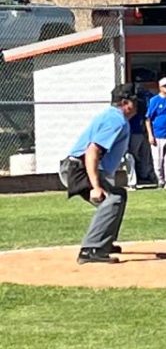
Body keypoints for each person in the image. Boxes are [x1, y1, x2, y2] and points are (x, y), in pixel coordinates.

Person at [58, 84, 137, 264]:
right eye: (134, 100)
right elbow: (92, 151)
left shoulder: (113, 116)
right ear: (125, 103)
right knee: (112, 199)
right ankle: (91, 249)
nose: (138, 104)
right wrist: (96, 187)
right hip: (78, 168)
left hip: (78, 167)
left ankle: (104, 242)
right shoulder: (116, 119)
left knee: (118, 195)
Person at [124, 83, 155, 190]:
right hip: (140, 131)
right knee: (139, 156)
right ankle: (143, 175)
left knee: (135, 155)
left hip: (137, 131)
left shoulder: (134, 101)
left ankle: (141, 176)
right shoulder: (148, 98)